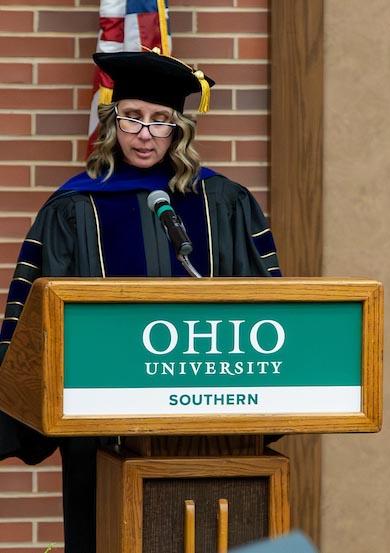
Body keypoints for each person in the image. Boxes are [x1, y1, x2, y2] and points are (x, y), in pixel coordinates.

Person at [0, 50, 281, 552]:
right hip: (97, 429)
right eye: (132, 117)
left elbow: (267, 310)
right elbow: (35, 321)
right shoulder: (74, 207)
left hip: (204, 424)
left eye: (159, 120)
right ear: (113, 122)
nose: (144, 134)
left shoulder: (224, 203)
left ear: (179, 130)